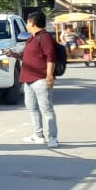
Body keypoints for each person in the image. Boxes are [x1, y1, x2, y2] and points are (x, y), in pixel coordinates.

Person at [19, 10, 59, 149]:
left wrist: (49, 75)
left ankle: (53, 137)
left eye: (27, 22)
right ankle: (38, 134)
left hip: (41, 79)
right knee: (32, 108)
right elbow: (24, 56)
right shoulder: (31, 38)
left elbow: (50, 57)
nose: (26, 24)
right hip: (28, 78)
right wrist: (13, 54)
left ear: (33, 23)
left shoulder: (45, 37)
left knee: (46, 109)